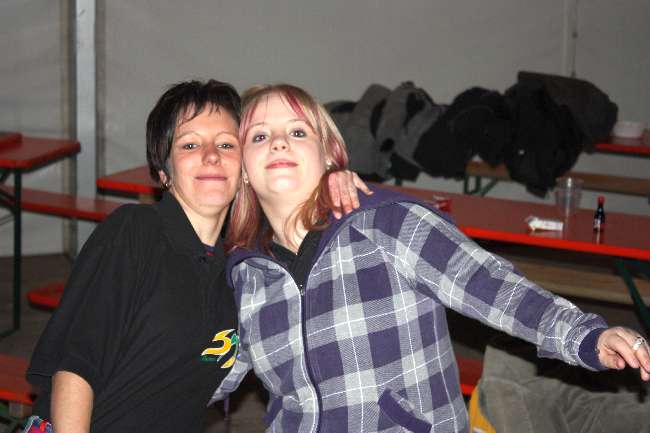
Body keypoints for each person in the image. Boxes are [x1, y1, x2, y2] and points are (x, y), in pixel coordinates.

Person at [212, 83, 650, 433]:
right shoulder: (247, 277)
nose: (279, 143)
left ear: (328, 154)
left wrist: (583, 335)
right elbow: (210, 366)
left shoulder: (387, 224)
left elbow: (490, 285)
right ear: (242, 169)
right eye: (259, 136)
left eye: (298, 132)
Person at [25, 79, 367, 433]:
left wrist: (331, 178)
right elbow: (76, 368)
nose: (211, 155)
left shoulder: (242, 270)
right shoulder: (135, 231)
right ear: (163, 172)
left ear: (244, 170)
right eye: (190, 144)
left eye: (226, 144)